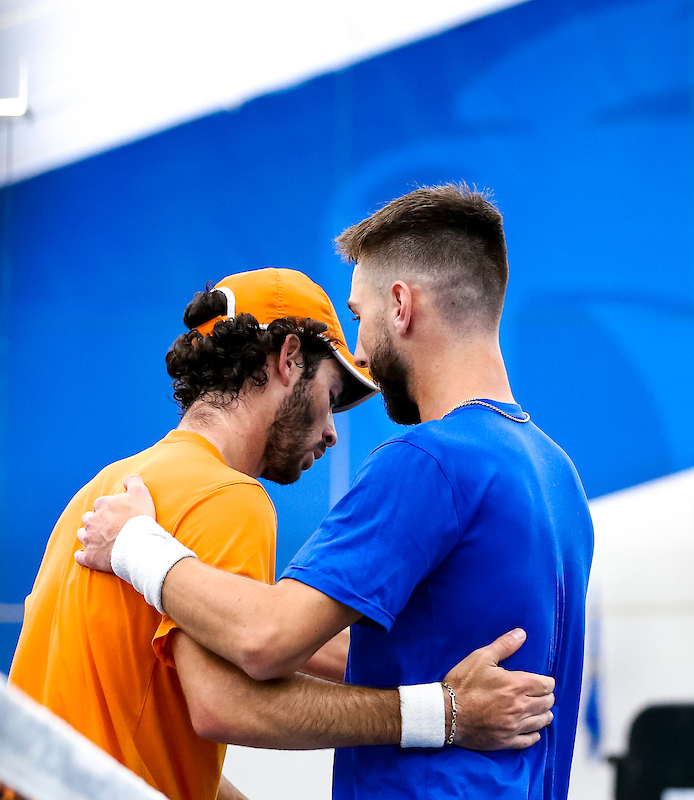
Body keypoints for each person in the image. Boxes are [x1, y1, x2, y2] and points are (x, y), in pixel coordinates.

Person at [77, 185, 595, 800]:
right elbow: (393, 655)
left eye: (358, 315)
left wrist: (133, 542)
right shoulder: (558, 476)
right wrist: (443, 708)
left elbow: (265, 641)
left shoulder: (428, 461)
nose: (364, 353)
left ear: (400, 305)